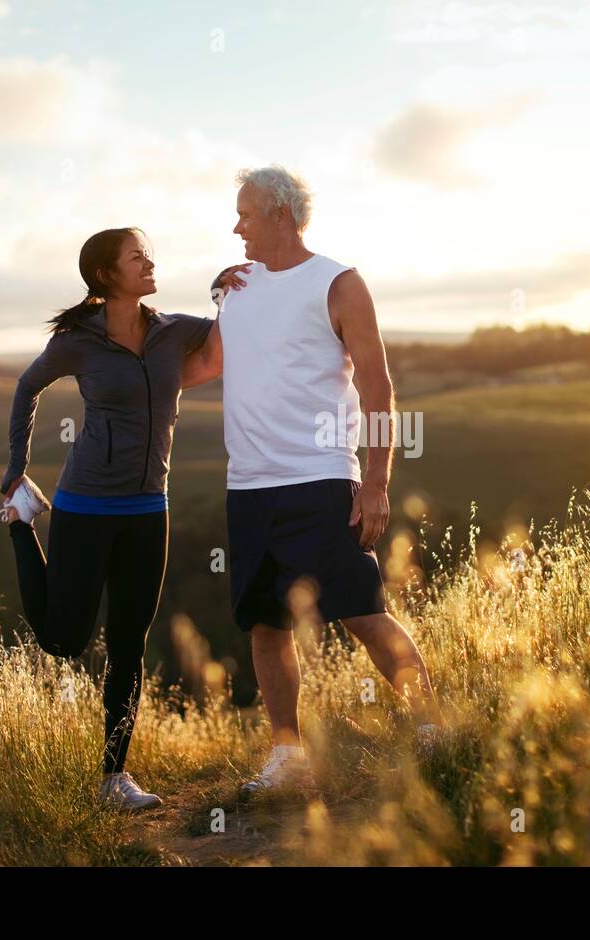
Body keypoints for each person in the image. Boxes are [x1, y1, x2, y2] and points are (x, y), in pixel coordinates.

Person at [186, 166, 444, 798]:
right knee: (267, 627)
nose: (235, 225)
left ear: (280, 214)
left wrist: (377, 483)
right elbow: (210, 363)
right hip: (248, 486)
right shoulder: (236, 289)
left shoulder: (339, 282)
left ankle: (435, 730)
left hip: (320, 479)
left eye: (245, 213)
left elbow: (378, 387)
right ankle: (288, 757)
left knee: (362, 612)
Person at [0, 226, 247, 810]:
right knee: (63, 640)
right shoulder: (79, 341)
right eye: (137, 257)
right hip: (84, 505)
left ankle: (114, 778)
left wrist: (225, 293)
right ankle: (20, 522)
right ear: (108, 276)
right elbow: (27, 386)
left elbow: (226, 342)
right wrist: (16, 464)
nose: (149, 262)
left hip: (148, 507)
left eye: (149, 253)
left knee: (130, 643)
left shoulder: (171, 331)